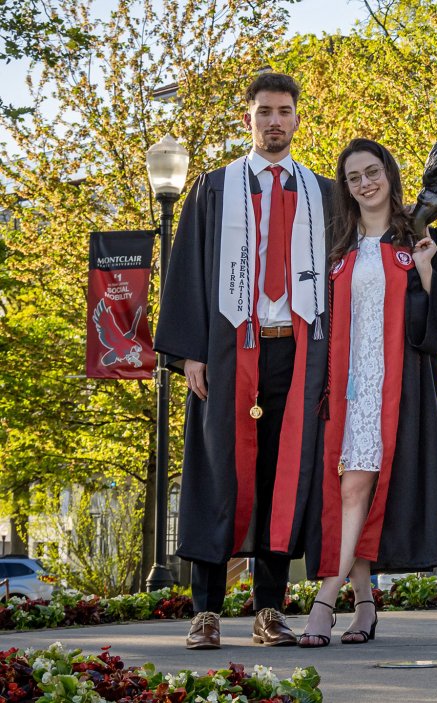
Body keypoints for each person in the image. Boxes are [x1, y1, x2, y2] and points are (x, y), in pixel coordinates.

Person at [155, 72, 333, 650]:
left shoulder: (322, 193)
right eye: (264, 112)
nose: (274, 121)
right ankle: (206, 612)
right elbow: (186, 272)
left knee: (285, 475)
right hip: (232, 349)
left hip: (298, 348)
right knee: (218, 472)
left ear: (298, 119)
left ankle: (269, 611)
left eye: (284, 111)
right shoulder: (214, 188)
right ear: (249, 118)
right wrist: (189, 354)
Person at [297, 139, 437, 647]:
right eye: (354, 177)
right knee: (353, 490)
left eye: (373, 172)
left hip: (396, 387)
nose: (366, 183)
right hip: (346, 386)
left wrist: (426, 268)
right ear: (346, 189)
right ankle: (366, 605)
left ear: (390, 175)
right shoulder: (338, 245)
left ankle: (325, 602)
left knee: (356, 489)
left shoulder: (419, 235)